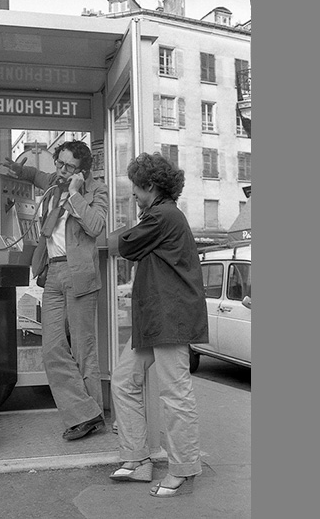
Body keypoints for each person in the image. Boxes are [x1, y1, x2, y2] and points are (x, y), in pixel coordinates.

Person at [108, 152, 208, 498]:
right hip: (156, 318)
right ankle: (137, 458)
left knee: (175, 393)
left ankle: (183, 469)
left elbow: (125, 245)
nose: (132, 194)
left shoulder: (162, 215)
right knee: (123, 380)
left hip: (170, 317)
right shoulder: (161, 214)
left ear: (150, 185)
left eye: (135, 188)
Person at [0, 140, 108, 441]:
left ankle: (90, 414)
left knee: (84, 350)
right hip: (53, 274)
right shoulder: (53, 184)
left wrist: (75, 194)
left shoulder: (94, 191)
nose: (60, 171)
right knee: (51, 350)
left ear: (82, 171)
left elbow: (96, 225)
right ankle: (86, 413)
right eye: (58, 164)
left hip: (80, 274)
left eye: (68, 167)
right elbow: (35, 175)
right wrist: (14, 167)